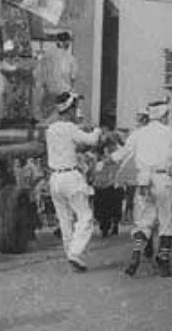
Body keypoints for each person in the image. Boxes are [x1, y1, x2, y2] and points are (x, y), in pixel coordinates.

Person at [121, 98, 172, 278]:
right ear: (164, 114)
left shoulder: (138, 133)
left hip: (143, 179)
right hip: (162, 178)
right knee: (166, 219)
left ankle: (136, 253)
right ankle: (163, 260)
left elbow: (122, 153)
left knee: (144, 219)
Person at [45, 91, 101, 272]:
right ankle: (75, 253)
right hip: (70, 176)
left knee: (64, 219)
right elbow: (91, 141)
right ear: (70, 110)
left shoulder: (50, 129)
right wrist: (97, 130)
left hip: (54, 177)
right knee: (85, 216)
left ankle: (70, 252)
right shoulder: (69, 128)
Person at [38, 32, 79, 120]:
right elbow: (73, 79)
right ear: (68, 43)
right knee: (63, 124)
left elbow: (41, 77)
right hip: (64, 96)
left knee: (47, 124)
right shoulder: (71, 59)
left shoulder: (46, 56)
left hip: (49, 94)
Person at [92, 133, 124, 238]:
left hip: (112, 183)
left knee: (112, 206)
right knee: (104, 206)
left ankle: (113, 224)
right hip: (102, 183)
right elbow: (95, 166)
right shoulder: (98, 153)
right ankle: (105, 226)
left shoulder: (117, 152)